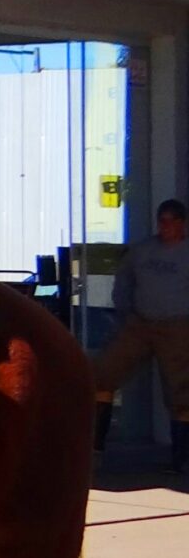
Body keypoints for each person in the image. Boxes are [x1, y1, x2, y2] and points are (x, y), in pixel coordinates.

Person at [94, 199, 189, 470]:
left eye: (172, 221)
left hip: (177, 326)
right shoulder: (143, 251)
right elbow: (123, 280)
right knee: (103, 373)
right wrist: (125, 310)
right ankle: (95, 446)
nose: (165, 226)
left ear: (182, 223)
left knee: (181, 390)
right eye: (162, 221)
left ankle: (180, 459)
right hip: (139, 323)